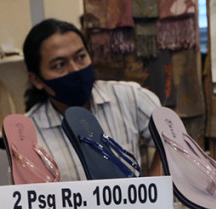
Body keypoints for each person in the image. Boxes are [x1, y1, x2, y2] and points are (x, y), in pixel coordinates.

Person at [23, 19, 162, 181]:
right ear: (37, 80)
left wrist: (153, 189)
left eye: (81, 57)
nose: (75, 69)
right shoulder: (28, 134)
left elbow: (172, 145)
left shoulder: (129, 96)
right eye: (60, 65)